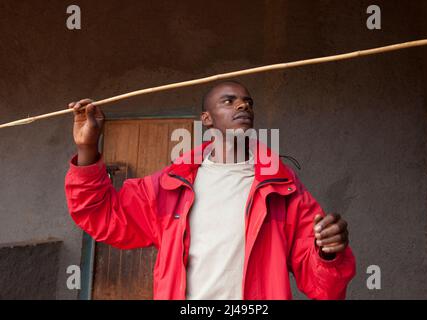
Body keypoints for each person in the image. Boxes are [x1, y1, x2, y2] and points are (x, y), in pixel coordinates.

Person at [65, 81, 356, 300]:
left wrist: (328, 253)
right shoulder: (170, 186)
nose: (242, 106)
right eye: (229, 101)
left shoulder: (283, 189)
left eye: (248, 102)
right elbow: (100, 213)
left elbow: (325, 287)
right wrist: (87, 147)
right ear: (207, 119)